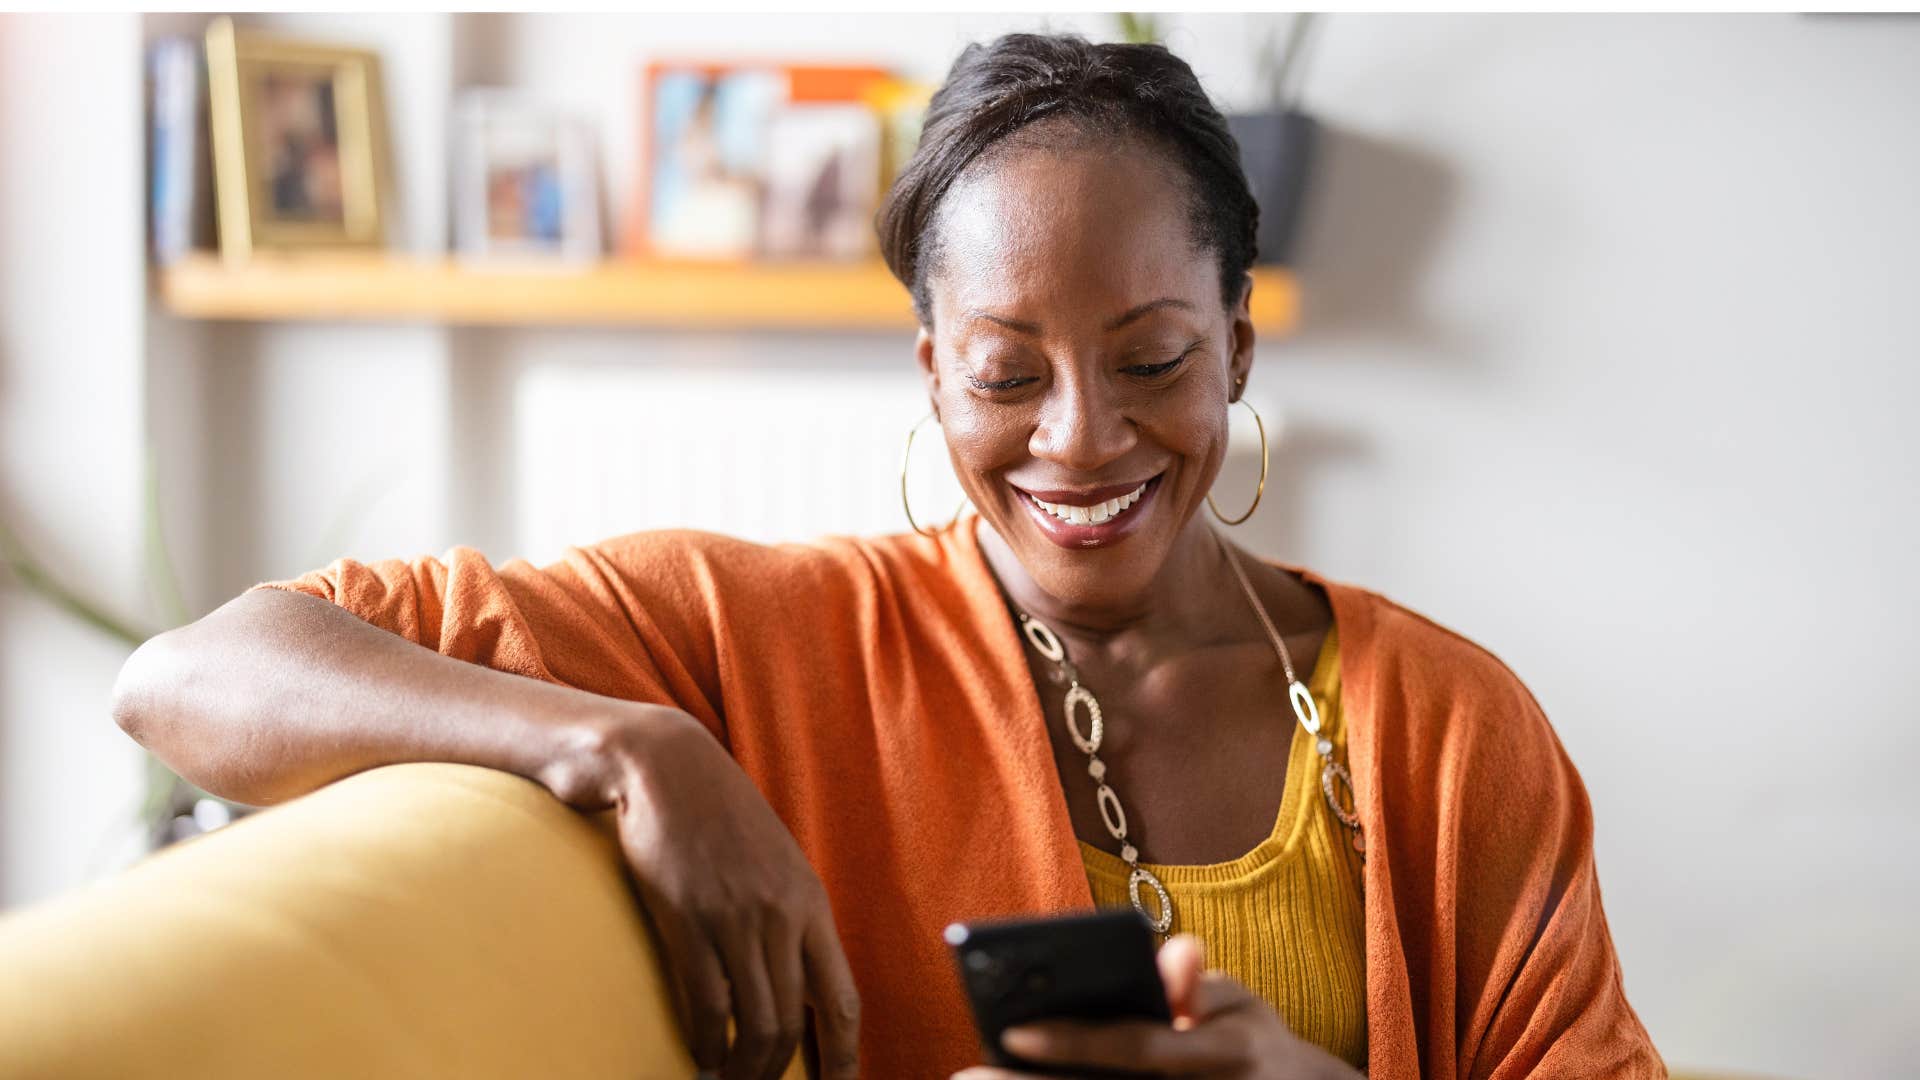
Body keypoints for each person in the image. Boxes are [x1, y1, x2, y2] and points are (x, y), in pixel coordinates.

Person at [112, 33, 1663, 1080]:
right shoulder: (760, 639)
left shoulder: (1448, 728)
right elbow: (194, 676)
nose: (1080, 438)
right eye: (1005, 373)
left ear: (1238, 356)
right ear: (932, 377)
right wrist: (625, 746)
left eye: (1152, 359)